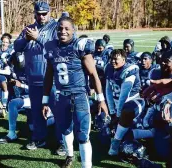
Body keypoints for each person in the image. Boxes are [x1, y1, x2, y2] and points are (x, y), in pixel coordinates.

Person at [42, 17, 108, 168]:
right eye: (60, 28)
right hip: (61, 95)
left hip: (79, 96)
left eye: (66, 28)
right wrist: (45, 101)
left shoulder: (80, 45)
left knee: (83, 136)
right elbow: (48, 76)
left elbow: (94, 75)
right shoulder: (51, 47)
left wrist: (101, 99)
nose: (63, 31)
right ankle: (69, 155)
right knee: (65, 129)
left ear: (73, 30)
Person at [14, 1, 65, 155]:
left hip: (52, 78)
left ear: (49, 13)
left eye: (45, 13)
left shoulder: (57, 27)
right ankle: (39, 138)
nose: (42, 16)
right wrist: (26, 39)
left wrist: (37, 38)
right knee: (37, 111)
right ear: (34, 14)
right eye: (39, 13)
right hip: (34, 78)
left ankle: (62, 142)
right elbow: (17, 47)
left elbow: (58, 48)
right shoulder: (29, 29)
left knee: (58, 111)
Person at [106, 49, 145, 156]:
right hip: (116, 102)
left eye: (115, 59)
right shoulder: (109, 68)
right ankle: (129, 134)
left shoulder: (130, 69)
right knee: (105, 134)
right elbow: (108, 90)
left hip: (134, 101)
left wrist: (117, 115)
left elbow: (124, 95)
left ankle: (116, 142)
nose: (112, 61)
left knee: (125, 112)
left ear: (123, 60)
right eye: (111, 59)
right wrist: (112, 111)